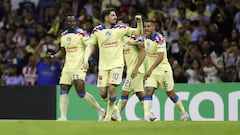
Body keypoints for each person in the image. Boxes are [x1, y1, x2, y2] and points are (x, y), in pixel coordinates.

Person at [84, 8, 143, 121]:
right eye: (113, 15)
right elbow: (90, 45)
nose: (115, 17)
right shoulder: (97, 30)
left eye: (115, 15)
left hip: (117, 65)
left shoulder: (120, 28)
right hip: (103, 66)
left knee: (112, 89)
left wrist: (140, 23)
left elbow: (138, 32)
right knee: (102, 93)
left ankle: (108, 117)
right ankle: (115, 109)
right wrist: (86, 60)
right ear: (106, 17)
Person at [48, 14, 105, 121]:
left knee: (81, 93)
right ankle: (63, 117)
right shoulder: (63, 35)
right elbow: (63, 51)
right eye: (70, 21)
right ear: (66, 23)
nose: (72, 23)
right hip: (67, 67)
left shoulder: (81, 33)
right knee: (63, 89)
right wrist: (53, 56)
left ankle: (100, 110)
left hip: (79, 66)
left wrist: (87, 59)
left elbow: (90, 46)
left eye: (74, 21)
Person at [142, 19, 189, 121]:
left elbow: (160, 57)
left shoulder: (159, 39)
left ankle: (183, 112)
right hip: (152, 70)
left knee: (170, 93)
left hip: (163, 70)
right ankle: (146, 116)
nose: (146, 28)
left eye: (149, 26)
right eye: (145, 26)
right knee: (148, 91)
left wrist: (150, 69)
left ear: (154, 27)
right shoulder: (145, 37)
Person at [111, 16, 146, 121]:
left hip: (136, 69)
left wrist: (136, 68)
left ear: (127, 26)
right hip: (131, 69)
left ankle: (116, 115)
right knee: (140, 93)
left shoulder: (134, 37)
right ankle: (150, 114)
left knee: (124, 91)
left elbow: (144, 49)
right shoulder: (122, 39)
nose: (120, 27)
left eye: (122, 25)